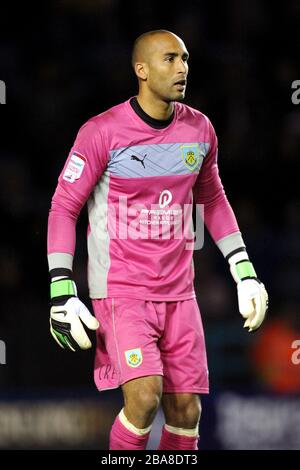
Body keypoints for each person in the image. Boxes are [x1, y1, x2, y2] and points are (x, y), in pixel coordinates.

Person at [47, 30, 268, 450]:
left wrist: (245, 273)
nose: (182, 68)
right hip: (122, 292)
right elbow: (63, 208)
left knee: (187, 411)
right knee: (145, 398)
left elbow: (214, 200)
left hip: (180, 294)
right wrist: (61, 289)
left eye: (185, 58)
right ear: (142, 70)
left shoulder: (200, 130)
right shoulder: (101, 133)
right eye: (170, 59)